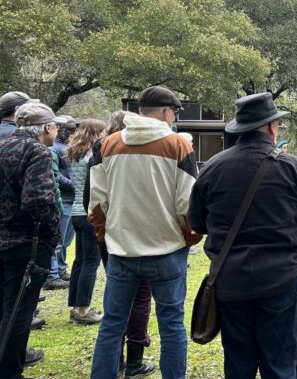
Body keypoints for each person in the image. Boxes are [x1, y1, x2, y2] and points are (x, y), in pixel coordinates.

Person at [188, 93, 297, 379]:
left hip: (230, 281)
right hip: (280, 279)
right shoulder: (293, 167)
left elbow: (197, 223)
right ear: (272, 126)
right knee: (279, 367)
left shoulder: (212, 167)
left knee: (238, 367)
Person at [89, 86, 201, 379]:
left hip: (122, 251)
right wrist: (188, 239)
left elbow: (97, 204)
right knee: (172, 325)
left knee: (112, 324)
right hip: (167, 251)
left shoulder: (108, 145)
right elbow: (187, 206)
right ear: (166, 113)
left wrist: (106, 237)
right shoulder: (179, 145)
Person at [84, 110, 155, 377]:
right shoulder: (136, 151)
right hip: (137, 235)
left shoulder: (100, 149)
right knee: (139, 297)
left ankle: (115, 363)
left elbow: (90, 199)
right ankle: (134, 361)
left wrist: (101, 232)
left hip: (109, 234)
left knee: (116, 300)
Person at [0, 102, 65, 377]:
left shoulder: (2, 145)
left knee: (6, 307)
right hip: (27, 243)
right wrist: (53, 232)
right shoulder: (37, 150)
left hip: (4, 239)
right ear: (47, 127)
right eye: (56, 125)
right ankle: (10, 370)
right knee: (19, 312)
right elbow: (37, 200)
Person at [65, 119, 106, 325]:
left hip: (75, 212)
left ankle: (75, 306)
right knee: (91, 262)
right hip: (88, 212)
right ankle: (83, 309)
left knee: (79, 261)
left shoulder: (75, 154)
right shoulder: (92, 156)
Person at [45, 115, 76, 290]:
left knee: (66, 240)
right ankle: (52, 275)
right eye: (69, 130)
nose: (72, 133)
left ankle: (61, 270)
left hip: (71, 198)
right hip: (63, 198)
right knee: (58, 239)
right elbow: (56, 175)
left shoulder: (66, 146)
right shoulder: (53, 148)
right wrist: (74, 185)